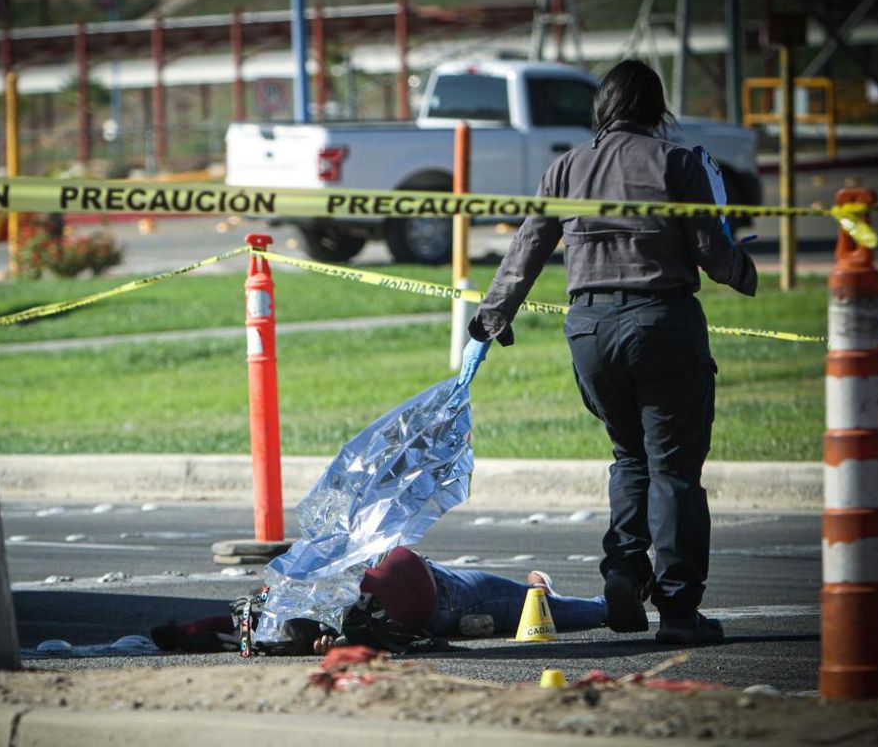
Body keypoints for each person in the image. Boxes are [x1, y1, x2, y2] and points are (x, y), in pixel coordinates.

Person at [466, 59, 757, 645]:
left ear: (601, 108)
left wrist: (494, 313)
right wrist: (744, 267)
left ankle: (623, 571)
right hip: (661, 322)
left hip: (589, 330)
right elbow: (712, 252)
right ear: (657, 110)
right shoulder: (677, 162)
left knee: (629, 458)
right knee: (674, 472)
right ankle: (678, 612)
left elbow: (527, 248)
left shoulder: (564, 169)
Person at [151, 547, 607, 655]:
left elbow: (222, 626)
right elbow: (224, 629)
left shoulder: (274, 608)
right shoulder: (276, 621)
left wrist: (184, 634)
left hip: (438, 586)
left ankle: (550, 594)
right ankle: (595, 604)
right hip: (443, 599)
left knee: (531, 606)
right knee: (538, 613)